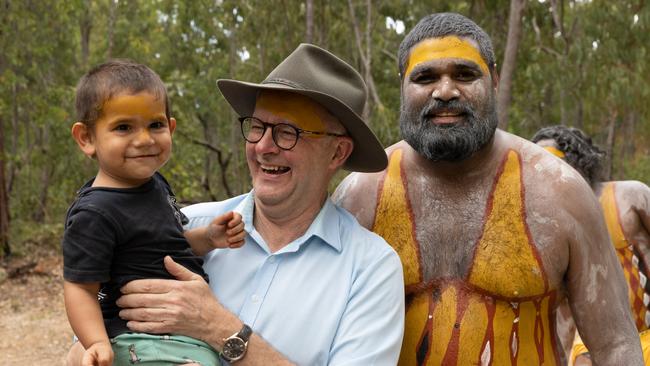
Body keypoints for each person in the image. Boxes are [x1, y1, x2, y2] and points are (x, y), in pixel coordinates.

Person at [332, 12, 643, 365]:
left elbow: (616, 346)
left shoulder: (561, 194)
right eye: (425, 77)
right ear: (403, 85)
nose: (445, 90)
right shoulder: (359, 196)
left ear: (494, 81)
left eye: (465, 74)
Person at [68, 44, 405, 365]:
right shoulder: (188, 223)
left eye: (287, 132)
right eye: (257, 127)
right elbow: (84, 347)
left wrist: (218, 327)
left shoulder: (370, 269)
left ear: (338, 152)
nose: (263, 146)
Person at [64, 59, 245, 366]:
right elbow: (80, 287)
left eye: (155, 125)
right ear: (87, 138)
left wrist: (210, 237)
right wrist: (95, 342)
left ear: (170, 127)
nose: (144, 139)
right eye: (123, 127)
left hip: (189, 339)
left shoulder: (155, 185)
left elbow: (170, 245)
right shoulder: (94, 212)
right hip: (136, 340)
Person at [532, 125, 650, 365]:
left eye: (552, 161)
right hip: (592, 349)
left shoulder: (628, 196)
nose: (543, 172)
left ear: (578, 159)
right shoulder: (551, 228)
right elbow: (563, 313)